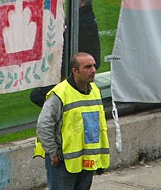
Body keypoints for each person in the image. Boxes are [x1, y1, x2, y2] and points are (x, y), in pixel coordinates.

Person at [34, 52, 110, 190]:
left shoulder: (95, 90)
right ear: (75, 71)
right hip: (62, 162)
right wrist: (53, 152)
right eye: (87, 67)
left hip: (86, 160)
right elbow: (44, 126)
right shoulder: (60, 94)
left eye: (94, 66)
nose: (93, 70)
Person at [30, 0, 101, 107]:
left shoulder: (80, 23)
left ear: (82, 2)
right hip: (77, 69)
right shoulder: (85, 17)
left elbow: (64, 46)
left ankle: (64, 113)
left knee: (38, 95)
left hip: (74, 71)